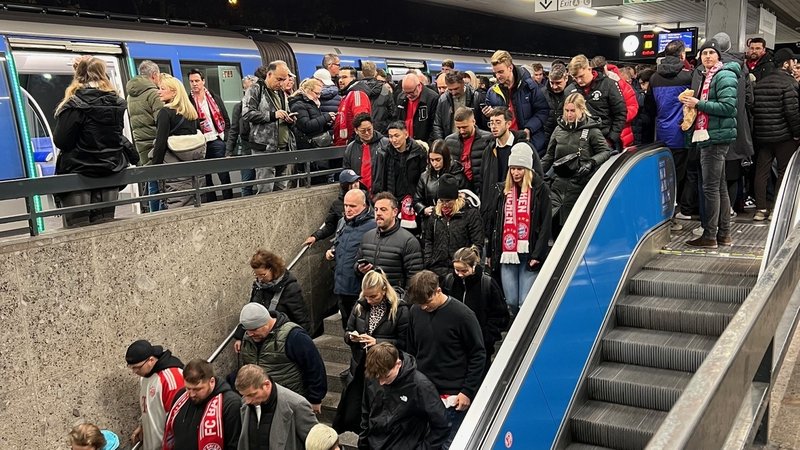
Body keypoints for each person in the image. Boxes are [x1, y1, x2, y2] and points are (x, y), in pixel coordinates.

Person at [406, 270, 486, 449]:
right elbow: (411, 349)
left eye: (427, 303)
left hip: (453, 395)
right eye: (420, 304)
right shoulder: (415, 311)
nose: (424, 308)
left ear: (438, 290)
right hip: (424, 392)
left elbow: (478, 355)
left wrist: (467, 391)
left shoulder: (463, 315)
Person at [53, 56, 134, 228]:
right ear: (104, 75)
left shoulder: (74, 103)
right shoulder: (117, 103)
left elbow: (62, 141)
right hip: (110, 171)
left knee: (78, 232)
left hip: (79, 173)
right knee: (105, 228)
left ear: (78, 76)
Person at [332, 269, 410, 433]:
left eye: (373, 296)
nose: (369, 300)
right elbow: (348, 330)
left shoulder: (399, 309)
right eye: (366, 296)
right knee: (356, 409)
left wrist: (378, 343)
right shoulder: (360, 305)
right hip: (361, 366)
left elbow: (406, 343)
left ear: (383, 290)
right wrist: (351, 337)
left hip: (383, 367)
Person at [680, 39, 740, 249]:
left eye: (711, 53)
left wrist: (698, 103)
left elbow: (727, 107)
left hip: (714, 137)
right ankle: (724, 234)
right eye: (704, 53)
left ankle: (710, 236)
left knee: (711, 188)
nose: (707, 56)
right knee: (719, 186)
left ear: (718, 56)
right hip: (710, 135)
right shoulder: (709, 75)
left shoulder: (723, 75)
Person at [490, 144, 552, 315]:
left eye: (519, 169)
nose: (515, 173)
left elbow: (546, 225)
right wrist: (490, 252)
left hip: (529, 254)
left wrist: (537, 255)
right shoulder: (502, 190)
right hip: (507, 254)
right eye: (513, 169)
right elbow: (494, 223)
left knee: (524, 302)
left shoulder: (540, 190)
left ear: (528, 169)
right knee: (510, 301)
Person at [237, 303, 327, 413]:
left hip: (290, 402)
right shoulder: (249, 337)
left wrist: (315, 399)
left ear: (266, 323)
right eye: (247, 330)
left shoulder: (294, 336)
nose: (250, 334)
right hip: (261, 401)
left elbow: (314, 366)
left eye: (254, 329)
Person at [542, 93, 612, 230]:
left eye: (572, 110)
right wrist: (536, 171)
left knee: (574, 224)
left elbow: (606, 151)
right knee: (553, 221)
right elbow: (549, 156)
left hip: (580, 182)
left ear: (581, 110)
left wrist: (591, 162)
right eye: (566, 110)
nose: (569, 114)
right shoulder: (558, 129)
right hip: (558, 183)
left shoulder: (591, 130)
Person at [359, 342, 449, 450]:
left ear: (398, 364)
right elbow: (366, 412)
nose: (381, 382)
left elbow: (442, 425)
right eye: (378, 378)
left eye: (386, 376)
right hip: (375, 443)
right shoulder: (373, 375)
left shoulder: (421, 386)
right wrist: (363, 443)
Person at [645, 39, 694, 221]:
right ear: (682, 55)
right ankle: (678, 210)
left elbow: (650, 108)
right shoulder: (688, 77)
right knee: (683, 174)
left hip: (662, 134)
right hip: (683, 132)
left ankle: (663, 211)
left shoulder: (654, 78)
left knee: (664, 174)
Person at [751, 48, 800, 221]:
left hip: (763, 136)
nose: (795, 65)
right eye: (793, 62)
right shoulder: (790, 84)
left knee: (761, 171)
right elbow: (792, 112)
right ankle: (776, 210)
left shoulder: (761, 83)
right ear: (786, 63)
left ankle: (760, 209)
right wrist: (797, 134)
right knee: (783, 172)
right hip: (784, 137)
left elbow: (754, 109)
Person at [443, 247, 509, 372]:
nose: (459, 274)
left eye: (464, 270)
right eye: (456, 270)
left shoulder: (487, 284)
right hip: (454, 347)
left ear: (474, 266)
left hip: (481, 346)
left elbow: (501, 316)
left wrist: (486, 338)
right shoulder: (449, 282)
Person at [479, 108, 544, 230]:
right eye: (491, 123)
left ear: (508, 124)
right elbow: (483, 182)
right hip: (494, 214)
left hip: (518, 212)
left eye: (498, 122)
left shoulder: (524, 148)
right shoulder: (488, 149)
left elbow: (538, 177)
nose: (493, 126)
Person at [242, 60, 297, 194]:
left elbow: (283, 113)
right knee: (265, 191)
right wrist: (273, 115)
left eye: (284, 79)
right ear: (269, 74)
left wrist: (290, 119)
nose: (282, 83)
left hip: (284, 148)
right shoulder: (255, 89)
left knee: (282, 190)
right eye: (279, 79)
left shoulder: (281, 93)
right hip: (264, 149)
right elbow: (247, 113)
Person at [151, 74, 205, 209]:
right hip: (194, 170)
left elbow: (160, 143)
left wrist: (154, 167)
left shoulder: (165, 112)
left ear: (174, 92)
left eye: (163, 88)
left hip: (173, 172)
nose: (159, 91)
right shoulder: (191, 112)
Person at [326, 187, 376, 329]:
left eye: (353, 206)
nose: (348, 209)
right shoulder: (342, 222)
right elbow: (338, 243)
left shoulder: (372, 225)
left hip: (360, 289)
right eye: (346, 205)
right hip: (341, 288)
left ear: (364, 205)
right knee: (348, 330)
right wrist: (332, 251)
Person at [163, 359, 242, 450]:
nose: (191, 394)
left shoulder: (230, 404)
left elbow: (235, 444)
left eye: (197, 389)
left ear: (211, 382)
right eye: (188, 388)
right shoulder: (181, 396)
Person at [235, 364, 318, 450]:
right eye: (244, 396)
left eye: (252, 394)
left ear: (266, 385)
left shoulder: (297, 405)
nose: (248, 401)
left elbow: (317, 443)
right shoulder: (246, 403)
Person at [234, 249, 313, 338]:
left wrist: (305, 341)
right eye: (256, 275)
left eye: (263, 275)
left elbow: (301, 318)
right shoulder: (258, 286)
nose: (260, 279)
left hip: (282, 338)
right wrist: (239, 336)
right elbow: (251, 311)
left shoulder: (290, 288)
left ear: (273, 269)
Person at [482, 50, 550, 154]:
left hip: (530, 142)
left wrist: (529, 129)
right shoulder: (492, 92)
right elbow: (488, 123)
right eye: (495, 73)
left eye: (500, 72)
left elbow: (543, 111)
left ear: (510, 68)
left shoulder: (529, 86)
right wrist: (489, 115)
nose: (497, 76)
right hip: (504, 145)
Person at [356, 191, 424, 289]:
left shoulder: (409, 241)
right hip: (370, 298)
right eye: (376, 209)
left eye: (383, 210)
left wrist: (401, 301)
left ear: (395, 212)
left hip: (395, 300)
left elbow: (414, 279)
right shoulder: (367, 237)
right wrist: (359, 269)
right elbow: (356, 265)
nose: (378, 213)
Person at [125, 340, 184, 450]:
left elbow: (180, 421)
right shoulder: (145, 376)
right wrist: (143, 425)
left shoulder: (171, 378)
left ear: (151, 360)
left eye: (137, 367)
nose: (134, 371)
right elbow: (150, 408)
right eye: (131, 367)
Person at [423, 174, 483, 279]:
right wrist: (429, 261)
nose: (445, 204)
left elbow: (477, 243)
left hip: (461, 270)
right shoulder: (435, 215)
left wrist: (468, 264)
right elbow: (428, 240)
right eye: (442, 201)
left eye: (448, 201)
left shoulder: (470, 214)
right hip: (436, 268)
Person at [372, 121, 427, 230]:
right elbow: (380, 178)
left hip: (412, 200)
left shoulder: (418, 152)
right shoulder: (384, 153)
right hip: (392, 198)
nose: (394, 140)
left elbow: (423, 179)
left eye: (397, 136)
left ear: (406, 135)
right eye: (391, 136)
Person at [565, 54, 627, 151]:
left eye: (581, 76)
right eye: (575, 77)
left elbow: (620, 113)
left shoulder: (609, 85)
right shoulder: (570, 90)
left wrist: (611, 138)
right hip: (579, 142)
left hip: (605, 140)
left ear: (589, 69)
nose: (579, 80)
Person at [188, 68, 232, 202]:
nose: (194, 84)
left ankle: (228, 201)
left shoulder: (214, 98)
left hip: (217, 141)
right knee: (205, 177)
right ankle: (211, 203)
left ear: (203, 81)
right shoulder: (188, 101)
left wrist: (225, 138)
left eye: (197, 81)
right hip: (200, 143)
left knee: (224, 175)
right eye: (191, 81)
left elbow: (226, 120)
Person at [126, 60, 163, 212]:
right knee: (159, 185)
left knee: (152, 182)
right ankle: (158, 216)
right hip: (155, 143)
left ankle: (152, 213)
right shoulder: (153, 93)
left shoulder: (131, 95)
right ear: (154, 75)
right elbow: (162, 121)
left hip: (141, 143)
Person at [304, 168, 367, 248]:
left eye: (357, 181)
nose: (356, 184)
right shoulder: (337, 205)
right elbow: (330, 226)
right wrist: (315, 236)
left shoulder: (366, 199)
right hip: (345, 244)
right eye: (352, 182)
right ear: (345, 186)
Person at [591, 56, 639, 149]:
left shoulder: (621, 83)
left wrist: (618, 118)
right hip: (598, 135)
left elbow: (633, 106)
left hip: (622, 135)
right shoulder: (589, 85)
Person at [414, 139, 467, 222]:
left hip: (454, 220)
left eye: (438, 160)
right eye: (432, 160)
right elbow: (417, 200)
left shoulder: (457, 174)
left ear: (445, 158)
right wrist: (423, 209)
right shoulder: (424, 176)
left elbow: (465, 199)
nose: (434, 163)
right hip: (431, 221)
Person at [444, 107, 494, 190]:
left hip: (482, 187)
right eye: (459, 128)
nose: (462, 131)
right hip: (459, 189)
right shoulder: (449, 141)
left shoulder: (488, 139)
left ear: (473, 122)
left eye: (465, 127)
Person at [226, 74, 258, 197]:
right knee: (246, 182)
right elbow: (234, 130)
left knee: (263, 181)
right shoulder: (238, 107)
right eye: (247, 89)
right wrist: (229, 152)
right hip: (247, 148)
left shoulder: (262, 105)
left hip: (262, 147)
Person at [342, 113, 391, 193]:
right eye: (363, 131)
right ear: (356, 131)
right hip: (359, 193)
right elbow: (346, 173)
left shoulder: (385, 144)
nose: (367, 133)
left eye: (369, 129)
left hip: (381, 193)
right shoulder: (350, 148)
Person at [432, 71, 481, 140]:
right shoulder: (443, 100)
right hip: (450, 141)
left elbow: (481, 124)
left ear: (463, 83)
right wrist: (441, 143)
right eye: (450, 89)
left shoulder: (476, 97)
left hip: (472, 140)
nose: (453, 93)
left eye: (456, 88)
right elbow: (437, 125)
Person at [290, 78, 335, 149]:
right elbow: (306, 126)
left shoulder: (312, 103)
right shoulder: (298, 105)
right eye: (316, 93)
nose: (319, 96)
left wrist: (328, 123)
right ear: (308, 90)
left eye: (320, 93)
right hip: (308, 146)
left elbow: (316, 125)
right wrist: (326, 117)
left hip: (316, 145)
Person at [395, 73, 439, 143]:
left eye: (411, 92)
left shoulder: (432, 98)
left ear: (418, 86)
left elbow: (434, 126)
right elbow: (397, 120)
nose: (408, 96)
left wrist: (428, 145)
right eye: (406, 92)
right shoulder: (401, 97)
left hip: (424, 143)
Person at [333, 66, 371, 146]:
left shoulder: (357, 94)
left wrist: (353, 145)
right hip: (343, 145)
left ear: (353, 78)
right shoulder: (346, 95)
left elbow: (362, 122)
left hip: (351, 146)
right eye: (339, 78)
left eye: (344, 77)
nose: (340, 80)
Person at [359, 61, 396, 134]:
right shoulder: (384, 89)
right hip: (381, 130)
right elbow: (392, 112)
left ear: (362, 74)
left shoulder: (357, 89)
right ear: (375, 73)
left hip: (362, 130)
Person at [543, 65, 568, 145]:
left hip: (566, 137)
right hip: (545, 138)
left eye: (558, 83)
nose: (554, 86)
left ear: (566, 79)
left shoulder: (573, 93)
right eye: (551, 83)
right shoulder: (542, 93)